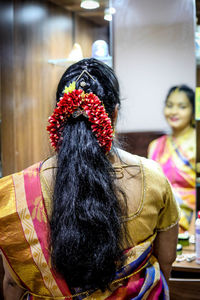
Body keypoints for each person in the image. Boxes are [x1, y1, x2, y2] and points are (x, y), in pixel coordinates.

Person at [0, 58, 179, 300]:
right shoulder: (153, 178)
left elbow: (13, 284)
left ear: (59, 115)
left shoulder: (16, 194)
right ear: (114, 114)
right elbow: (166, 263)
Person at [148, 85, 195, 232]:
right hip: (160, 223)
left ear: (192, 110)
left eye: (182, 106)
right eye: (170, 105)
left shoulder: (196, 141)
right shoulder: (155, 145)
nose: (174, 111)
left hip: (192, 223)